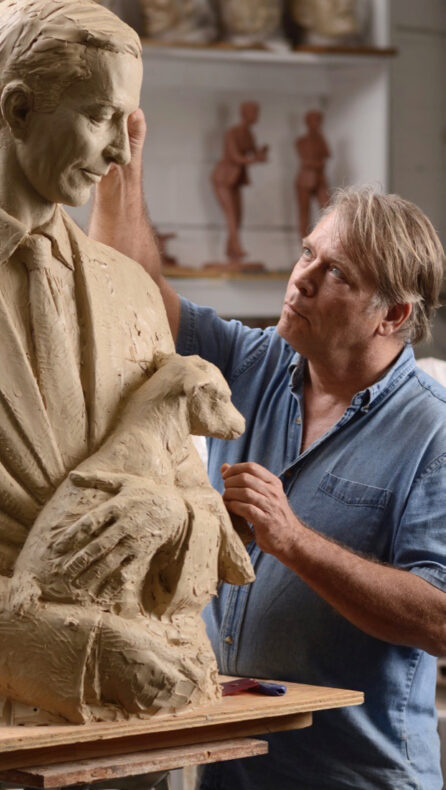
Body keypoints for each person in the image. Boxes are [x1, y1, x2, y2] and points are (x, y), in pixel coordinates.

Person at [0, 0, 230, 726]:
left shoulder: (131, 289)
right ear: (19, 107)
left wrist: (170, 515)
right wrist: (82, 654)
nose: (122, 154)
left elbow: (201, 503)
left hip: (163, 705)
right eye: (101, 116)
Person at [89, 111, 446, 788]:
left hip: (356, 778)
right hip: (237, 765)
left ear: (393, 315)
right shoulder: (261, 361)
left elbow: (440, 618)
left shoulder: (432, 434)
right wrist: (122, 163)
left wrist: (291, 539)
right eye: (307, 252)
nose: (301, 279)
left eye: (335, 272)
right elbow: (135, 300)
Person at [211, 101, 268, 261]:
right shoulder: (232, 133)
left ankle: (231, 252)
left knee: (238, 217)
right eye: (253, 112)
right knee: (231, 214)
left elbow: (255, 154)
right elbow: (236, 157)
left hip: (236, 179)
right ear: (244, 113)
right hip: (223, 177)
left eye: (257, 112)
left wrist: (261, 155)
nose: (256, 116)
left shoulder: (249, 134)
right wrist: (255, 159)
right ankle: (237, 247)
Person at [295, 109, 330, 239]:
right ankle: (304, 246)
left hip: (320, 178)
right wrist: (317, 164)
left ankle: (324, 242)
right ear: (308, 123)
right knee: (304, 213)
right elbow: (306, 161)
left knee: (327, 208)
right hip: (305, 179)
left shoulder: (321, 140)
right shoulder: (301, 141)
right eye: (314, 121)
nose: (317, 124)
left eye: (319, 121)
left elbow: (327, 155)